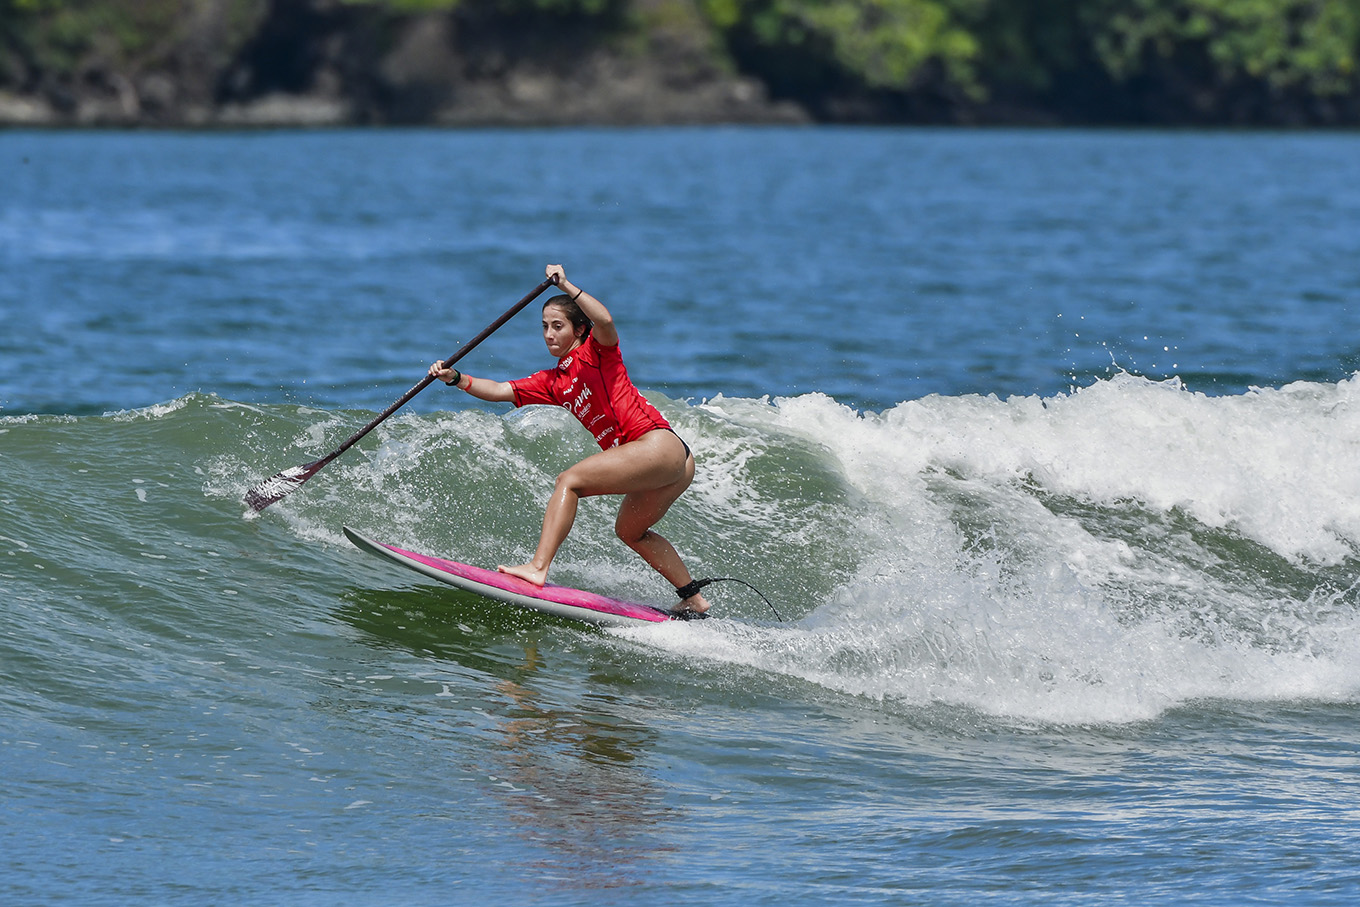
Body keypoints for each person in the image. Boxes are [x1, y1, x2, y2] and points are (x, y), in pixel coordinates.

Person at [428, 264, 711, 617]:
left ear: (579, 329)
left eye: (557, 326)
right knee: (631, 531)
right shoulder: (553, 381)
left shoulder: (597, 352)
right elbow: (500, 390)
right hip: (673, 461)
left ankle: (538, 567)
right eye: (544, 326)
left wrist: (566, 285)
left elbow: (605, 321)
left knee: (569, 481)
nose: (549, 334)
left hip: (656, 444)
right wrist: (455, 378)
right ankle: (693, 598)